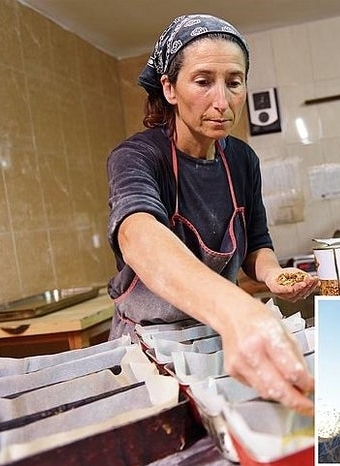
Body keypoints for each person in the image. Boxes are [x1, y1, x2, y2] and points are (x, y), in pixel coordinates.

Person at [105, 14, 318, 415]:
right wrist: (237, 309)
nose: (222, 102)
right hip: (150, 347)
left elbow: (257, 243)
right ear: (169, 87)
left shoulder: (241, 159)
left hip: (217, 337)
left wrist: (271, 275)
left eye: (233, 82)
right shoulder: (137, 156)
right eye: (203, 81)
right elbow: (138, 234)